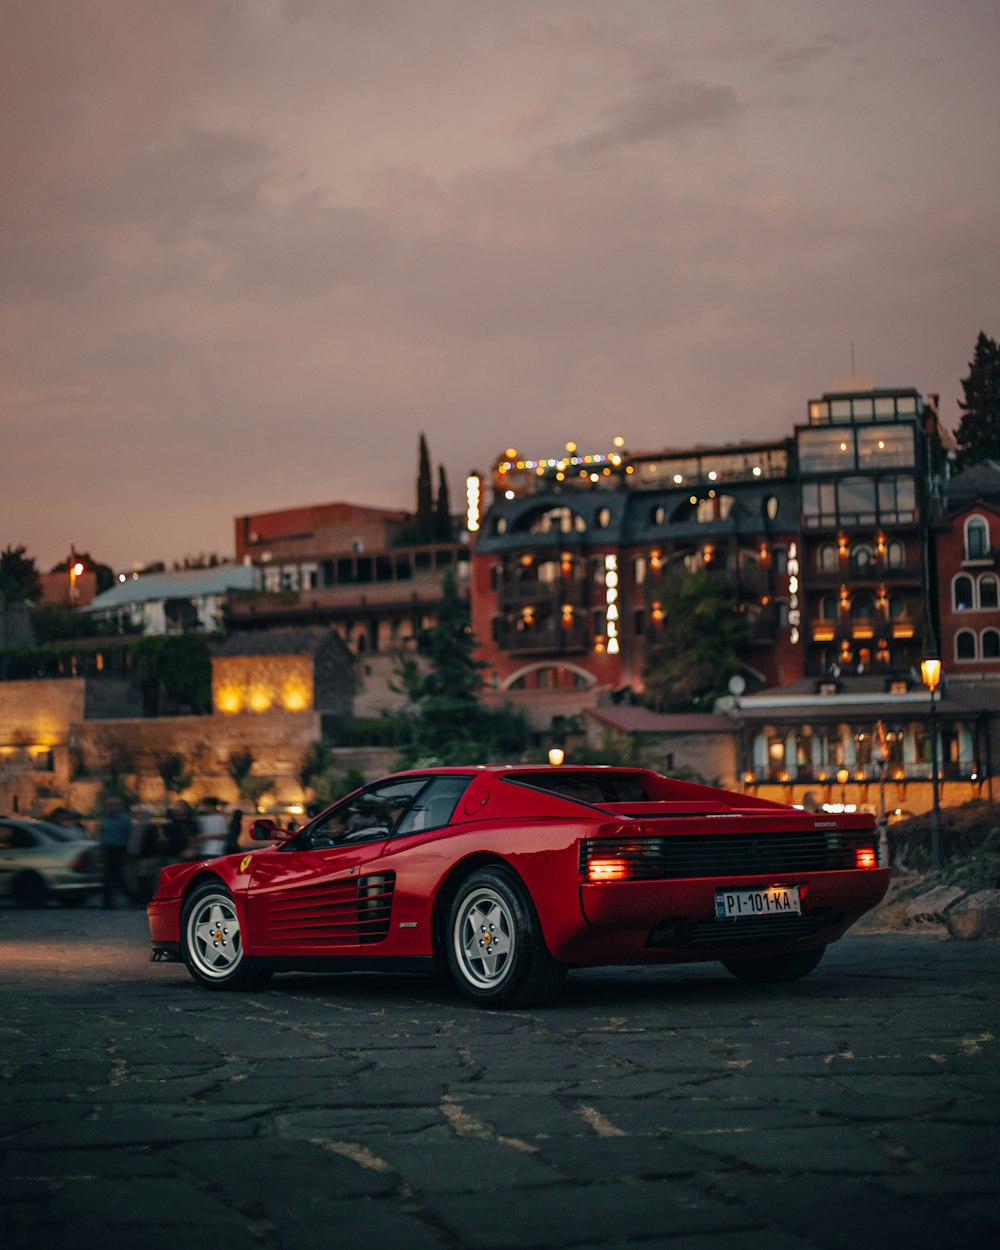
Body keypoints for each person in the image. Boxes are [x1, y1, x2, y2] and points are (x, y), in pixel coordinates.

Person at [98, 796, 132, 909]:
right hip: (107, 849)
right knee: (110, 877)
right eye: (110, 805)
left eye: (115, 805)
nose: (112, 807)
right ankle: (109, 902)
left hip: (119, 850)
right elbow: (103, 834)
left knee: (115, 876)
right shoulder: (105, 819)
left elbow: (129, 835)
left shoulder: (125, 819)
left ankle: (129, 898)